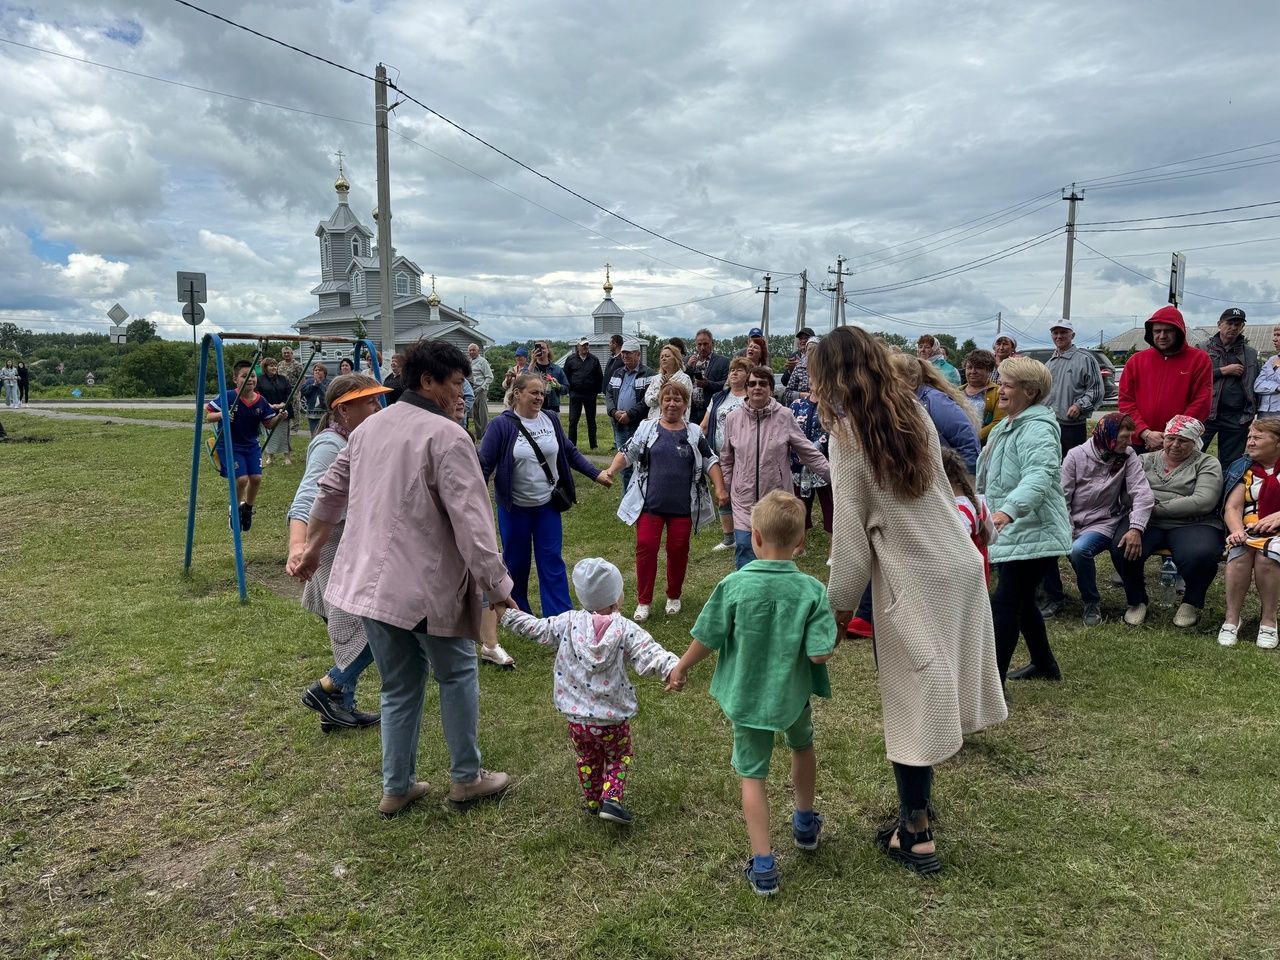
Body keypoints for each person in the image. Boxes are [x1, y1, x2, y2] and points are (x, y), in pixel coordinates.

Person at [287, 339, 514, 817]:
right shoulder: (449, 436)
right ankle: (466, 777)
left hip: (368, 585)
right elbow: (474, 525)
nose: (462, 395)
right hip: (423, 587)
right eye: (456, 384)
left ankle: (397, 786)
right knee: (456, 674)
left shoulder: (368, 430)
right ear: (427, 382)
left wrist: (310, 548)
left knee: (399, 685)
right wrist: (497, 587)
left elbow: (328, 493)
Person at [814, 327, 1006, 876]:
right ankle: (913, 808)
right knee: (925, 696)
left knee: (909, 705)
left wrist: (830, 622)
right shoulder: (913, 412)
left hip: (915, 579)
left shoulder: (848, 437)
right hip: (956, 566)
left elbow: (849, 548)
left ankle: (916, 833)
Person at [666, 491, 837, 895]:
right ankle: (805, 823)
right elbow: (818, 655)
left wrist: (682, 666)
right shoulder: (813, 591)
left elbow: (707, 638)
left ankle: (763, 866)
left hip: (747, 699)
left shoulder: (734, 586)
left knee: (752, 775)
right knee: (802, 746)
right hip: (793, 697)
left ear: (754, 537)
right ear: (801, 542)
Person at [501, 558, 678, 824]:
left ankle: (594, 801)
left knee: (587, 758)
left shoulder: (567, 623)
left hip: (578, 720)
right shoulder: (625, 629)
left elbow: (537, 629)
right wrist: (673, 668)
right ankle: (612, 799)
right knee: (619, 756)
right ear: (615, 599)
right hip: (613, 719)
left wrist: (507, 614)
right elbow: (649, 653)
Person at [287, 373, 390, 733]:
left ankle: (340, 706)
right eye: (369, 402)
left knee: (352, 626)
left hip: (350, 543)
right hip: (335, 546)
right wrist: (299, 548)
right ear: (344, 410)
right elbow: (306, 499)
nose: (378, 408)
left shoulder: (356, 438)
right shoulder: (331, 446)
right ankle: (328, 687)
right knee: (376, 627)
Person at [479, 372, 612, 616]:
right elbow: (484, 465)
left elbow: (569, 452)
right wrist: (474, 499)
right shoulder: (501, 425)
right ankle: (518, 614)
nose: (539, 397)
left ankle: (560, 614)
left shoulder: (550, 418)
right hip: (514, 508)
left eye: (542, 393)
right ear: (517, 394)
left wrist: (596, 474)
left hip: (547, 506)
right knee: (516, 562)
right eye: (534, 392)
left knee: (551, 560)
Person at [977, 356, 1072, 681]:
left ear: (1029, 392)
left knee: (1004, 604)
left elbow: (1040, 473)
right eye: (999, 381)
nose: (998, 389)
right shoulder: (1007, 425)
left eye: (1005, 384)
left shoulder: (1036, 430)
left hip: (1035, 531)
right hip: (1015, 531)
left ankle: (991, 684)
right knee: (1022, 600)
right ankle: (1045, 665)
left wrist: (1008, 510)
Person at [601, 380, 726, 621]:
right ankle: (644, 601)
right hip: (650, 505)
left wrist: (720, 488)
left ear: (685, 404)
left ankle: (674, 596)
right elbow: (628, 452)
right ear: (660, 402)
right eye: (667, 398)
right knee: (646, 547)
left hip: (682, 507)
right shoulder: (647, 428)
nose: (671, 403)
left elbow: (710, 460)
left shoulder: (693, 432)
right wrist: (611, 471)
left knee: (678, 550)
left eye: (677, 399)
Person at [1041, 414, 1154, 625]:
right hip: (1070, 518)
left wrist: (1136, 527)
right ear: (1107, 435)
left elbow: (1142, 493)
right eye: (1124, 437)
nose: (1129, 443)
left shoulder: (1128, 456)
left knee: (1078, 550)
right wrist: (1067, 528)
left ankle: (1091, 602)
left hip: (1103, 521)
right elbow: (1062, 497)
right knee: (1047, 544)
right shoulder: (1076, 456)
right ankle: (1053, 596)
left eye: (1131, 437)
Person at [1111, 415, 1223, 629]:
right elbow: (1126, 495)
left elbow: (1203, 502)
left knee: (1201, 554)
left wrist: (1150, 503)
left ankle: (1191, 601)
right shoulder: (1144, 460)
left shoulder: (1207, 463)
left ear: (1196, 442)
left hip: (1193, 523)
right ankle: (1136, 600)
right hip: (1146, 521)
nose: (1175, 445)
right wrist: (1179, 501)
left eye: (1183, 440)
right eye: (1171, 438)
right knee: (1122, 546)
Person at [720, 365, 829, 568]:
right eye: (752, 384)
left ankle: (774, 595)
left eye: (763, 383)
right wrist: (724, 488)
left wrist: (835, 477)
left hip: (775, 499)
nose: (757, 388)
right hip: (743, 498)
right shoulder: (733, 419)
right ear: (746, 388)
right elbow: (726, 458)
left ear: (771, 388)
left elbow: (808, 451)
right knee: (745, 546)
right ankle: (747, 595)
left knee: (775, 554)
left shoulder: (785, 416)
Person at [204, 359, 287, 532]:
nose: (250, 379)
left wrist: (279, 417)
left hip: (251, 446)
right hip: (229, 445)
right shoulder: (228, 396)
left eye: (253, 376)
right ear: (236, 379)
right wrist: (223, 415)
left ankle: (247, 508)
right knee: (241, 479)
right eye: (245, 376)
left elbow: (268, 423)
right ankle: (234, 509)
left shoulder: (261, 400)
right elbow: (208, 416)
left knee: (256, 478)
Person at [1118, 305, 1212, 452]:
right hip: (1140, 441)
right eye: (1157, 331)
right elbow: (1126, 401)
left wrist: (1172, 436)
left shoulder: (1199, 359)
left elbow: (1202, 402)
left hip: (1179, 443)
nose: (1162, 336)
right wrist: (1145, 432)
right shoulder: (1136, 361)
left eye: (1168, 331)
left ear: (1179, 332)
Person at [1221, 417, 1280, 649]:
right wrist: (1237, 531)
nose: (1250, 443)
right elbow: (1232, 507)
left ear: (1277, 442)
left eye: (1257, 437)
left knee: (1267, 559)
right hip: (1248, 527)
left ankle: (1269, 620)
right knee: (1239, 557)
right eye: (1249, 438)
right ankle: (1231, 618)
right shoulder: (1243, 468)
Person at [894, 354, 981, 476]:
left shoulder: (936, 401)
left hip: (951, 482)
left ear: (912, 381)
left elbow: (967, 441)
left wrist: (964, 484)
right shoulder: (905, 403)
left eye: (893, 380)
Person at [701, 357, 752, 553]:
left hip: (745, 457)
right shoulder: (718, 398)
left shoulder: (751, 398)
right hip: (720, 455)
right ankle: (728, 538)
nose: (734, 373)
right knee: (723, 495)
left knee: (744, 496)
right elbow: (705, 425)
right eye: (732, 370)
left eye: (739, 370)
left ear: (748, 375)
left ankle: (747, 535)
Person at [1199, 307, 1257, 467]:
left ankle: (1227, 492)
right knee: (1192, 457)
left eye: (1238, 324)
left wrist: (1250, 414)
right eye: (1230, 323)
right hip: (1205, 414)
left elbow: (1255, 384)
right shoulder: (1203, 349)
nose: (1233, 328)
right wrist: (1223, 371)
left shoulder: (1250, 353)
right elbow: (1193, 378)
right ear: (1219, 324)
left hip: (1236, 418)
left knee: (1231, 464)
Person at [789, 341, 832, 540]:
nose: (814, 381)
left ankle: (834, 545)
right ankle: (799, 543)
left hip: (824, 464)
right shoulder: (797, 404)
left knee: (829, 505)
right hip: (799, 466)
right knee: (799, 506)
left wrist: (815, 447)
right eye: (812, 377)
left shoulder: (833, 406)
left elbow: (831, 430)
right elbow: (790, 429)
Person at [1045, 320, 1104, 456]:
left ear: (1073, 335)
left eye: (1063, 332)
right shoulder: (1049, 363)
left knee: (1073, 467)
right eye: (1055, 333)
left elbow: (1096, 390)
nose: (1059, 336)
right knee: (1052, 464)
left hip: (1072, 428)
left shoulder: (1085, 359)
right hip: (1049, 425)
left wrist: (1079, 406)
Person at [605, 340, 654, 485]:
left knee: (643, 463)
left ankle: (642, 496)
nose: (624, 356)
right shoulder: (617, 373)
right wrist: (614, 412)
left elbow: (647, 400)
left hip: (638, 426)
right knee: (624, 466)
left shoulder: (648, 374)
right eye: (623, 353)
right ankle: (627, 497)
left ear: (638, 354)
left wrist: (630, 414)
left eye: (628, 353)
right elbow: (608, 394)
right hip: (619, 425)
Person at [942, 447, 994, 581]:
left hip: (965, 580)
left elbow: (956, 551)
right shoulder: (977, 503)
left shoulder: (958, 511)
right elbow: (992, 537)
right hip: (980, 578)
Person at [564, 337, 604, 449]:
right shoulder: (571, 359)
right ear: (578, 347)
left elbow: (599, 376)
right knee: (573, 420)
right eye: (582, 345)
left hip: (590, 394)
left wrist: (597, 391)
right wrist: (568, 389)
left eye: (586, 345)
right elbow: (565, 375)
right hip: (575, 394)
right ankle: (572, 445)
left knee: (591, 421)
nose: (585, 347)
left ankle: (593, 445)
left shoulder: (594, 359)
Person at [685, 328, 730, 425]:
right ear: (695, 344)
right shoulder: (687, 360)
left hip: (711, 409)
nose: (702, 348)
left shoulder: (723, 362)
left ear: (712, 343)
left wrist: (708, 384)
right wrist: (688, 367)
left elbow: (727, 384)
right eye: (699, 344)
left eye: (705, 344)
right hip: (690, 409)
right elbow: (680, 381)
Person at [257, 357, 294, 467]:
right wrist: (269, 405)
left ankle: (287, 457)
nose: (274, 367)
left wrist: (283, 404)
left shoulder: (283, 379)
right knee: (268, 435)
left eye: (275, 365)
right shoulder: (260, 380)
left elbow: (289, 393)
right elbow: (257, 394)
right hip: (267, 410)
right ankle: (270, 457)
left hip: (283, 409)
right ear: (265, 367)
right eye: (271, 365)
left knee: (284, 434)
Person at [961, 349, 1004, 442]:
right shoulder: (955, 391)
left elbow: (998, 422)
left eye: (978, 368)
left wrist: (973, 437)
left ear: (989, 370)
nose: (973, 371)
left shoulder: (998, 392)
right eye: (969, 367)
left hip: (983, 446)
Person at [643, 343, 693, 419]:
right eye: (661, 357)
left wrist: (666, 388)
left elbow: (683, 403)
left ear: (676, 358)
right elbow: (648, 401)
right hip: (654, 423)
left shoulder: (684, 379)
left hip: (676, 424)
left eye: (667, 356)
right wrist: (660, 392)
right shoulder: (655, 379)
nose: (663, 359)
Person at [529, 340, 569, 415]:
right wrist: (532, 361)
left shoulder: (557, 369)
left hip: (552, 409)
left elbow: (566, 389)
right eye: (537, 348)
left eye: (542, 348)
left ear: (548, 350)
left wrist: (558, 385)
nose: (540, 350)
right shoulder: (531, 368)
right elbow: (522, 383)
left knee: (554, 427)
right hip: (534, 408)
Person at [780, 327, 816, 406]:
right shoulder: (794, 356)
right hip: (801, 403)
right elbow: (784, 382)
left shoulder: (824, 364)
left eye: (806, 338)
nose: (803, 341)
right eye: (800, 339)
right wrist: (790, 371)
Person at [1251, 324, 1280, 418]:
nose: (1274, 339)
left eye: (1279, 335)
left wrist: (1269, 381)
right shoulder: (1271, 359)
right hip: (1265, 412)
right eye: (1274, 335)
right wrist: (1277, 388)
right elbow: (1258, 385)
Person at [467, 344, 493, 441]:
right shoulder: (469, 362)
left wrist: (482, 387)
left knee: (482, 413)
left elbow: (490, 377)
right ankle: (479, 435)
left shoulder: (482, 361)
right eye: (470, 350)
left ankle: (487, 434)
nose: (471, 352)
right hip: (472, 389)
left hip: (481, 389)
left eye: (473, 350)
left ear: (478, 351)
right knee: (475, 413)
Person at [277, 345, 304, 430]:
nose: (286, 354)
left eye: (288, 353)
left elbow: (302, 378)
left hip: (293, 389)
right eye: (284, 353)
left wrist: (297, 390)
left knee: (295, 407)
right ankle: (285, 423)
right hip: (281, 389)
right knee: (283, 406)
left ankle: (295, 426)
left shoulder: (297, 365)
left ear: (292, 354)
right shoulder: (280, 364)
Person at [301, 364, 328, 436]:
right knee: (315, 435)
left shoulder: (328, 382)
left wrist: (320, 384)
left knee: (325, 434)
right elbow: (304, 392)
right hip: (312, 415)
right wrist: (314, 385)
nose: (317, 372)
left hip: (325, 415)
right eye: (315, 370)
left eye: (320, 370)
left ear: (324, 373)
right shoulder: (309, 382)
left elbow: (327, 394)